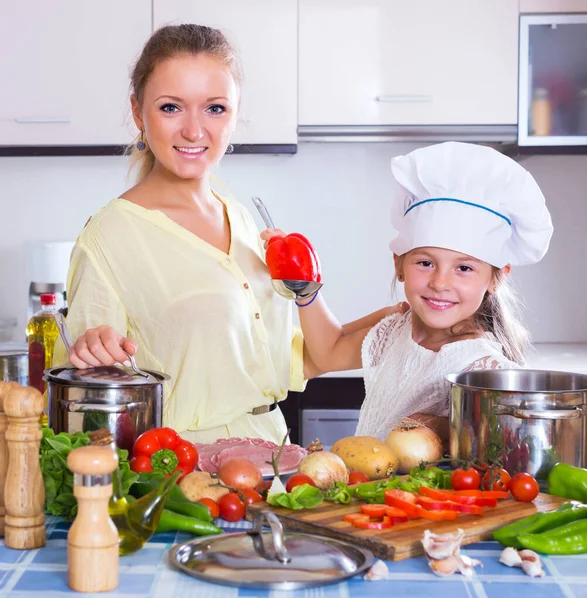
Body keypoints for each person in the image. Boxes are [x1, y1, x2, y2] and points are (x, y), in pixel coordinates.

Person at [56, 24, 397, 444]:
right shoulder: (109, 237)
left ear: (235, 113)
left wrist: (414, 315)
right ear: (137, 111)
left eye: (214, 108)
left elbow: (293, 360)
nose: (195, 131)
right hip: (181, 473)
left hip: (274, 458)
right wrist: (91, 353)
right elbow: (89, 406)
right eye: (171, 107)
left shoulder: (238, 213)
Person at [267, 142, 553, 443]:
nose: (440, 282)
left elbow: (493, 451)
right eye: (426, 263)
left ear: (496, 278)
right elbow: (327, 353)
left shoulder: (483, 369)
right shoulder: (395, 330)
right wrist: (303, 285)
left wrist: (440, 426)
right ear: (398, 264)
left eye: (464, 268)